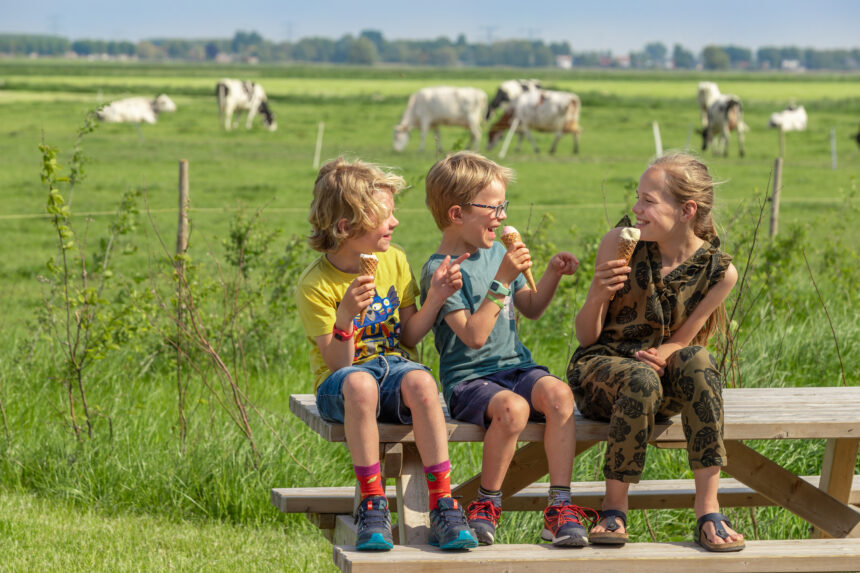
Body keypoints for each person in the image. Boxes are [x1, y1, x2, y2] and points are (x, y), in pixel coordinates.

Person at [295, 157, 477, 551]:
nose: (394, 223)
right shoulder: (316, 284)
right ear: (346, 228)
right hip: (340, 385)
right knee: (360, 384)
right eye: (385, 217)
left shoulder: (394, 260)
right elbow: (338, 365)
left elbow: (409, 334)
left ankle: (443, 504)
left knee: (421, 380)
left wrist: (436, 298)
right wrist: (345, 316)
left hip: (392, 370)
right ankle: (373, 504)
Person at [566, 152, 745, 552]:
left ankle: (708, 507)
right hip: (601, 372)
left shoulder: (719, 271)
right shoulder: (619, 243)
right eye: (637, 197)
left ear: (687, 210)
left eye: (648, 200)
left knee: (699, 361)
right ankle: (614, 508)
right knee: (640, 377)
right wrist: (597, 292)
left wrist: (666, 353)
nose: (636, 208)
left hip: (659, 377)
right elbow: (585, 337)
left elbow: (685, 338)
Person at [421, 151, 590, 547]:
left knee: (561, 395)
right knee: (514, 410)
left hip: (515, 367)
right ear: (457, 213)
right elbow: (474, 336)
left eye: (504, 207)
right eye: (493, 207)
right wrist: (501, 280)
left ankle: (560, 506)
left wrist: (549, 274)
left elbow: (529, 307)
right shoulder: (442, 269)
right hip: (469, 379)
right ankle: (486, 504)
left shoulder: (498, 252)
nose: (501, 216)